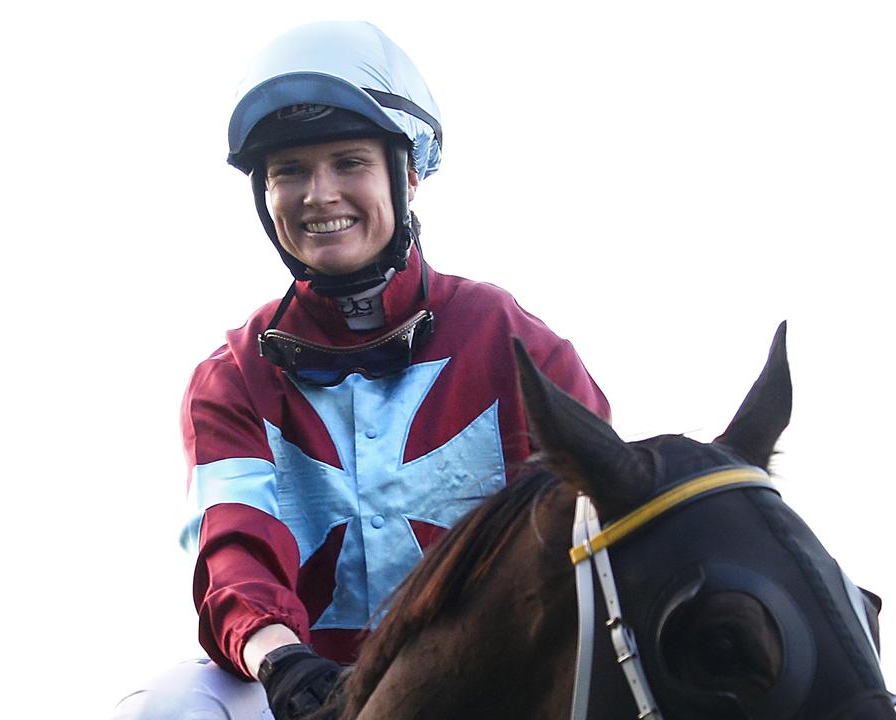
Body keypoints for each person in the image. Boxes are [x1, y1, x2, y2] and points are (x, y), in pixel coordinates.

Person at [112, 21, 610, 720]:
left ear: (407, 175)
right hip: (306, 687)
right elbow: (235, 551)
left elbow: (596, 525)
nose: (319, 195)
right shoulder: (229, 378)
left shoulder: (512, 343)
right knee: (168, 706)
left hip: (497, 683)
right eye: (289, 171)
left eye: (348, 162)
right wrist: (280, 658)